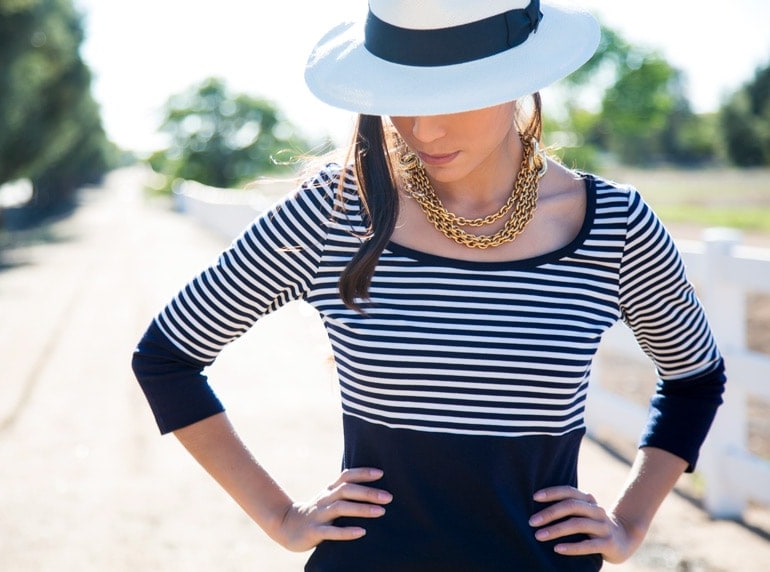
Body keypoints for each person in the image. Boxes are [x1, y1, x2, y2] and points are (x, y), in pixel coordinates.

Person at [131, 1, 726, 570]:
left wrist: (629, 525)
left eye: (449, 96)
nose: (423, 128)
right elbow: (167, 358)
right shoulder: (335, 213)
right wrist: (280, 517)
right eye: (401, 98)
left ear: (519, 77)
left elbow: (694, 380)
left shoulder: (614, 226)